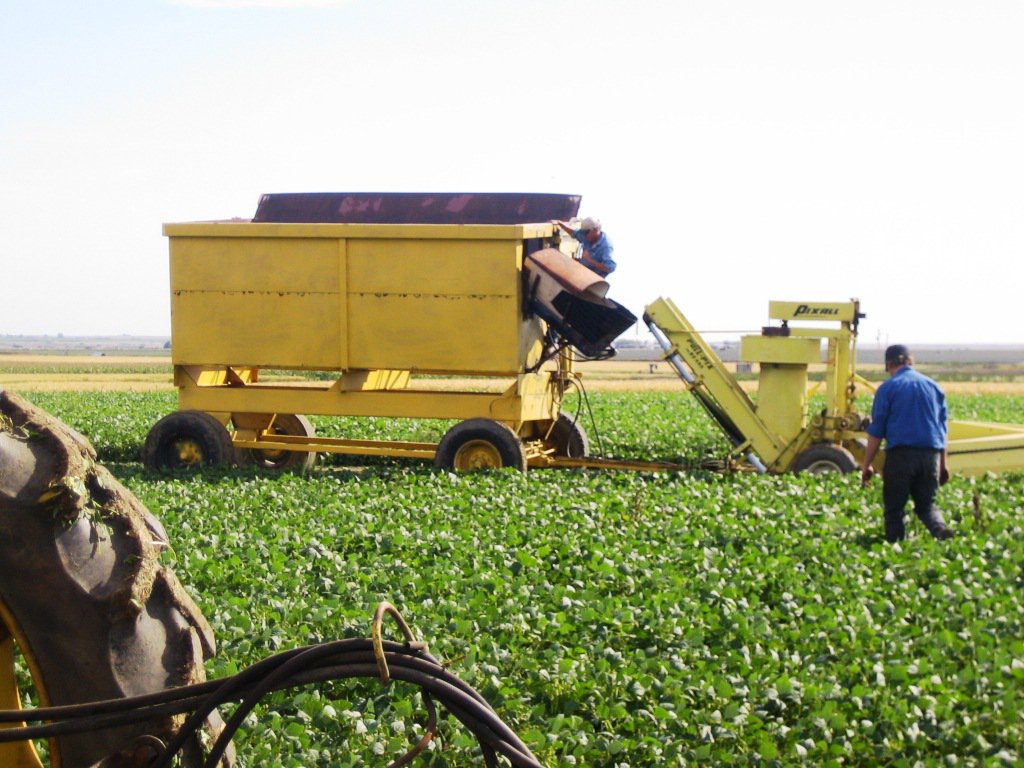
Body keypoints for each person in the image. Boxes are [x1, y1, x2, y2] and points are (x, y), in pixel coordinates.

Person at [861, 344, 954, 542]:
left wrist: (867, 463)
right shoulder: (934, 387)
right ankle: (941, 531)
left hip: (901, 456)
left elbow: (877, 432)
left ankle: (897, 549)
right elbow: (942, 430)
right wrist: (944, 464)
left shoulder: (888, 389)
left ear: (888, 364)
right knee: (927, 506)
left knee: (894, 509)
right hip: (931, 456)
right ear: (910, 360)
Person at [552, 217, 616, 277]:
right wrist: (560, 223)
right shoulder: (586, 235)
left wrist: (590, 260)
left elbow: (610, 268)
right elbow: (574, 233)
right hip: (581, 271)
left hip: (592, 279)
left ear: (595, 230)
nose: (584, 235)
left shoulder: (606, 246)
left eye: (586, 232)